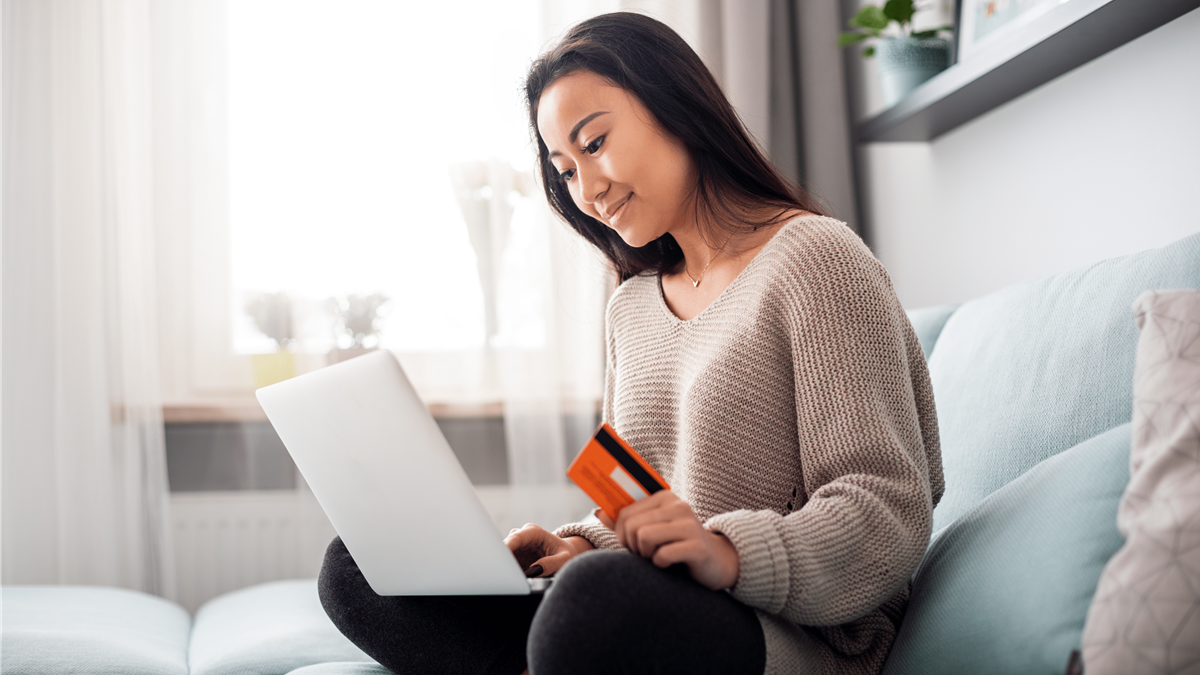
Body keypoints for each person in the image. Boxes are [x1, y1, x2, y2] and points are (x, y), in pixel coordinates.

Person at [318, 12, 943, 675]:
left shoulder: (817, 260)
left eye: (594, 145)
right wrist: (579, 542)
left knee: (593, 606)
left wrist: (724, 551)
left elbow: (886, 507)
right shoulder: (630, 308)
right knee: (359, 565)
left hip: (789, 631)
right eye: (562, 171)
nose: (587, 190)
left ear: (674, 103)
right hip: (650, 603)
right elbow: (631, 502)